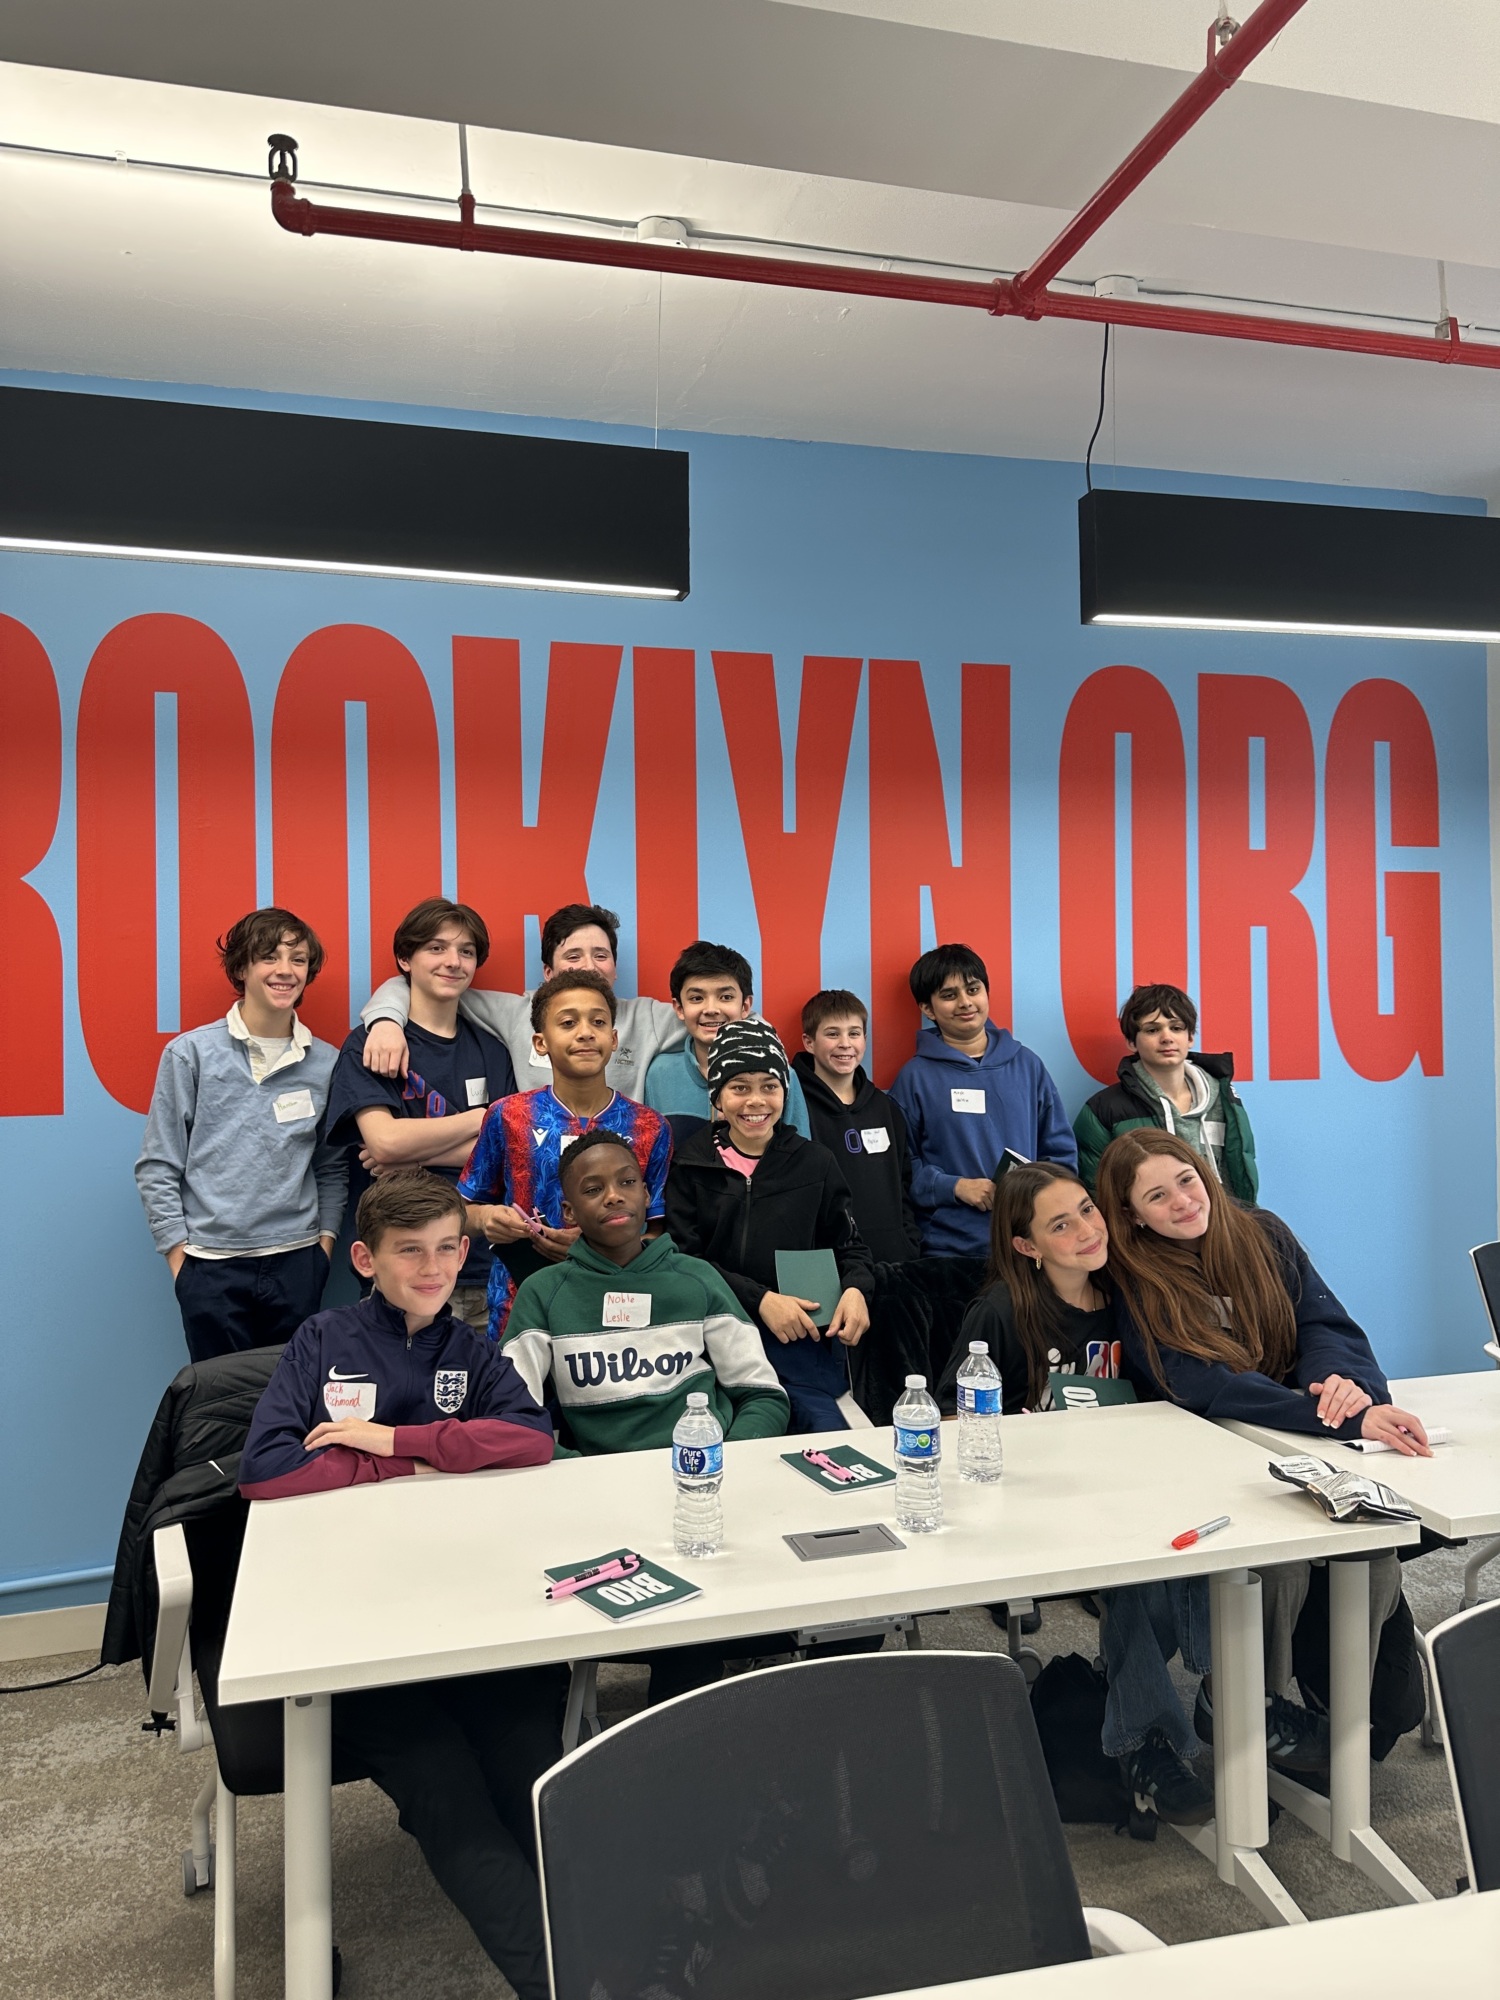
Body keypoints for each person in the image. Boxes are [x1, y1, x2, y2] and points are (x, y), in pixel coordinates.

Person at [239, 1170, 558, 2000]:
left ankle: (620, 1936)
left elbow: (529, 1440)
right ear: (364, 1258)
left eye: (449, 1248)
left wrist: (393, 1442)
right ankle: (571, 1982)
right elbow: (267, 1471)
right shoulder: (323, 1339)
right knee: (444, 1786)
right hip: (359, 1620)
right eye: (409, 1251)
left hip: (471, 1604)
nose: (433, 1267)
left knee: (538, 1770)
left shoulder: (468, 1347)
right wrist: (399, 1461)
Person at [1094, 1128, 1429, 1765]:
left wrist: (1342, 1387)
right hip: (1213, 1467)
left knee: (1375, 1551)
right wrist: (1330, 1417)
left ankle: (1345, 1709)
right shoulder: (1133, 1276)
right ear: (1132, 1215)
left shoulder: (1264, 1233)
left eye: (1187, 1181)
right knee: (1278, 1567)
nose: (1183, 1202)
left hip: (1305, 1441)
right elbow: (1202, 1387)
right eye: (1157, 1196)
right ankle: (1250, 1705)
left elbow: (1326, 1324)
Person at [936, 1161, 1213, 1825]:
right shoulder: (1002, 1310)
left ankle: (1224, 1700)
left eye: (1088, 1210)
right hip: (1045, 1502)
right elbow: (950, 1421)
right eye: (1061, 1225)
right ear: (1028, 1246)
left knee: (1209, 1541)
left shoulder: (1131, 1292)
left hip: (1134, 1486)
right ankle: (1147, 1741)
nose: (1088, 1230)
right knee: (1133, 1571)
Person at [135, 906, 347, 1361]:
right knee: (217, 1410)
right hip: (210, 1267)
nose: (285, 971)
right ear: (242, 968)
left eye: (299, 959)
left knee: (290, 1408)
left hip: (298, 1260)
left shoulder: (327, 1063)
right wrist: (181, 1262)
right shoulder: (191, 1054)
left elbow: (331, 1167)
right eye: (269, 957)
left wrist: (323, 1249)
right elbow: (158, 1165)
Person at [664, 1018, 873, 1433]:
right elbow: (684, 1261)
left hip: (799, 1350)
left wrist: (856, 1290)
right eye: (739, 1087)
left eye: (769, 1086)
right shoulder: (690, 1164)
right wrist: (760, 1300)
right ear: (718, 1097)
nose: (755, 1101)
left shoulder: (816, 1163)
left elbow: (852, 1248)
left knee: (825, 1439)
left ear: (784, 1091)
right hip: (714, 1346)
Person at [324, 897, 517, 1331]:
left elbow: (506, 1151)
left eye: (465, 951)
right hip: (399, 1268)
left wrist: (413, 1154)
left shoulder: (492, 1048)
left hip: (482, 1265)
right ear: (404, 959)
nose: (453, 961)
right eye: (436, 948)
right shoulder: (370, 1045)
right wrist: (482, 1118)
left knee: (488, 1397)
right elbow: (384, 1142)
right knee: (402, 1395)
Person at [458, 970, 672, 1339]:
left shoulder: (650, 1127)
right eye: (568, 1022)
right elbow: (461, 1213)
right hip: (520, 1307)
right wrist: (486, 1219)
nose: (586, 1032)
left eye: (598, 1022)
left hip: (614, 1310)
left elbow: (658, 1230)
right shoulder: (509, 1115)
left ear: (614, 1038)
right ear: (540, 1042)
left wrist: (599, 1244)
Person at [358, 901, 685, 1102]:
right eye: (573, 955)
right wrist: (387, 1023)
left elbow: (711, 1014)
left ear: (614, 969)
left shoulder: (647, 1018)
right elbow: (427, 984)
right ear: (549, 972)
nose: (589, 966)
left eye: (601, 955)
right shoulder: (518, 1013)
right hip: (537, 1176)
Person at [889, 944, 1075, 1261]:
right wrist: (954, 1187)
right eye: (949, 995)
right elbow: (900, 1166)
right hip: (949, 1250)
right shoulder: (914, 1078)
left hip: (1028, 1244)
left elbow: (1060, 1154)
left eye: (973, 989)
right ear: (928, 1009)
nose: (965, 1003)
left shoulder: (1027, 1065)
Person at [1074, 983, 1258, 1199]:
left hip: (1226, 1225)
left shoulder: (1225, 1098)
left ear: (1190, 1037)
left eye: (1176, 1028)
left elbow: (1241, 1170)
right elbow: (1099, 1193)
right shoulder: (1102, 1111)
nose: (1167, 1038)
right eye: (1152, 1030)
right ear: (1132, 1042)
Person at [792, 988, 922, 1265]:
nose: (844, 1043)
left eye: (854, 1033)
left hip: (892, 1259)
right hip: (826, 1261)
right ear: (809, 1041)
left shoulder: (885, 1108)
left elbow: (903, 1181)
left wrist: (906, 1240)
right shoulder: (793, 1105)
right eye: (832, 1034)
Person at [643, 939, 811, 1136]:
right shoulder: (659, 1073)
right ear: (679, 1008)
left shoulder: (781, 1073)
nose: (712, 1009)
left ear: (745, 1007)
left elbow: (802, 1156)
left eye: (726, 997)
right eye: (697, 998)